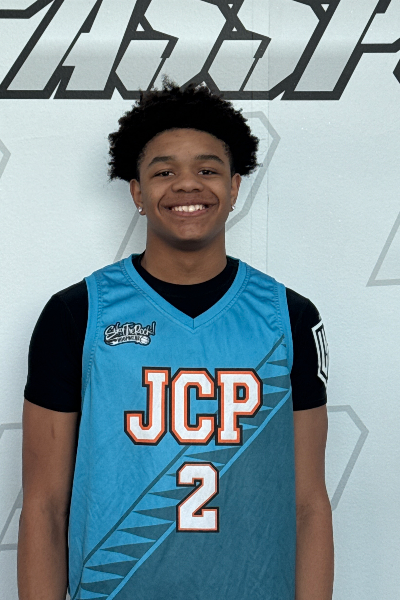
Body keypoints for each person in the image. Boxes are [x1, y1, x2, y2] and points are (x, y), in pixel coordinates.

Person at [18, 78, 334, 600]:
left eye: (208, 170)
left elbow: (309, 505)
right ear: (137, 193)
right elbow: (45, 506)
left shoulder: (289, 317)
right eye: (164, 172)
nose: (187, 185)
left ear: (235, 187)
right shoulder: (77, 314)